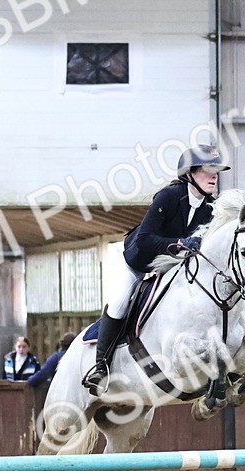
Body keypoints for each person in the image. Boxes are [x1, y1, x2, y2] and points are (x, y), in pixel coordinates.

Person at [81, 143, 230, 395]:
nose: (214, 175)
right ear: (189, 173)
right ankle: (100, 367)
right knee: (118, 302)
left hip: (171, 267)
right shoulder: (168, 197)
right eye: (208, 169)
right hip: (140, 262)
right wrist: (179, 243)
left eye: (216, 170)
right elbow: (145, 239)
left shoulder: (210, 209)